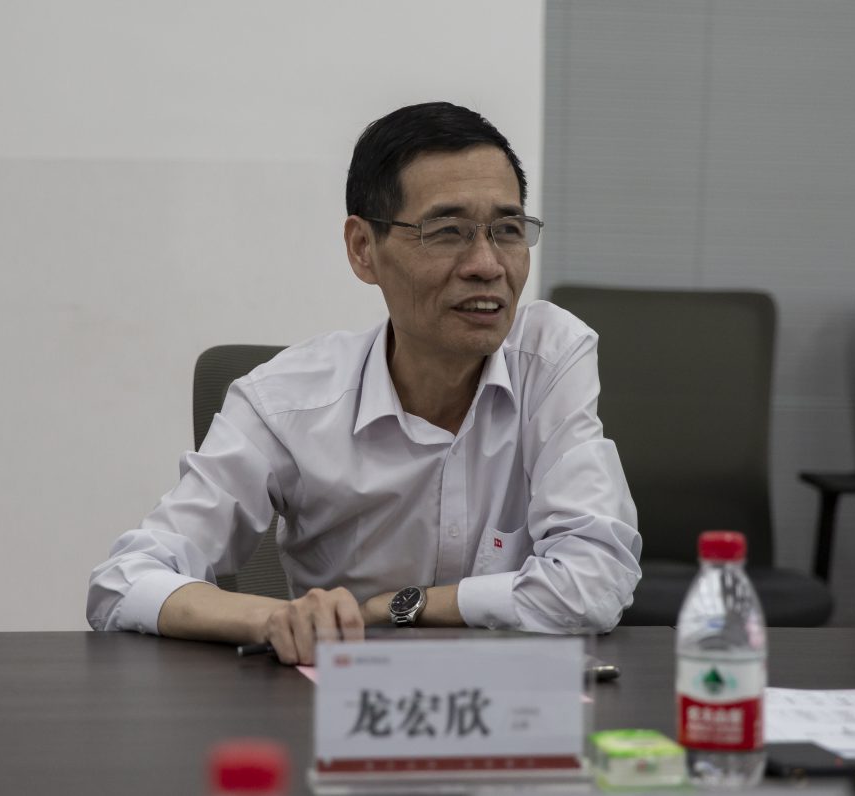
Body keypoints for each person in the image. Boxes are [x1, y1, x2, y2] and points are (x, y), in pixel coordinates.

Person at [87, 101, 641, 665]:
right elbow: (124, 581)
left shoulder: (549, 357)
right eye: (447, 231)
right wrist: (275, 618)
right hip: (344, 700)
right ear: (362, 249)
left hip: (511, 698)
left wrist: (396, 607)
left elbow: (595, 581)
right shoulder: (284, 404)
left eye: (507, 230)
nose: (487, 264)